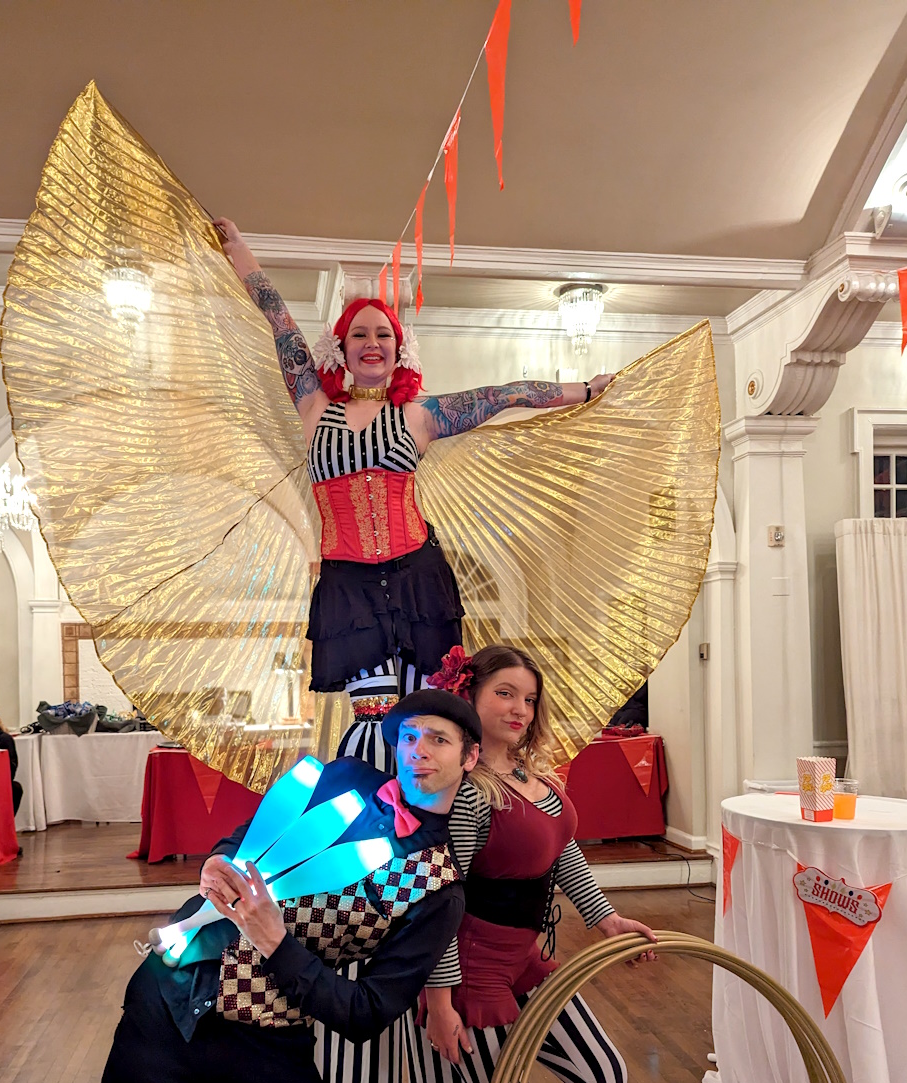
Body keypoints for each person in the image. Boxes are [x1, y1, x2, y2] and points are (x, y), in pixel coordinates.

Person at [35, 689, 482, 1083]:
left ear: (469, 757)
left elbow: (365, 1011)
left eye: (438, 740)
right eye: (409, 736)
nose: (418, 752)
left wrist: (278, 944)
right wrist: (219, 857)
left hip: (267, 1046)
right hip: (166, 1006)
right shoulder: (339, 779)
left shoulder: (438, 887)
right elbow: (247, 835)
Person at [215, 218, 613, 769]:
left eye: (384, 335)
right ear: (340, 347)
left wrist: (584, 390)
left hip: (418, 579)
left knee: (426, 715)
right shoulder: (313, 407)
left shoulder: (419, 416)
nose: (372, 343)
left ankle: (431, 817)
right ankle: (374, 815)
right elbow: (280, 322)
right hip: (350, 585)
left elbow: (504, 394)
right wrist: (242, 253)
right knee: (374, 716)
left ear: (399, 350)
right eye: (360, 334)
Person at [410, 644, 657, 1083]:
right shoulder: (465, 791)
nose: (519, 708)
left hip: (526, 963)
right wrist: (439, 1002)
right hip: (471, 972)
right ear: (470, 695)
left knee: (606, 1077)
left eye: (528, 698)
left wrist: (604, 918)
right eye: (504, 694)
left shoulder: (531, 777)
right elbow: (439, 898)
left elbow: (562, 849)